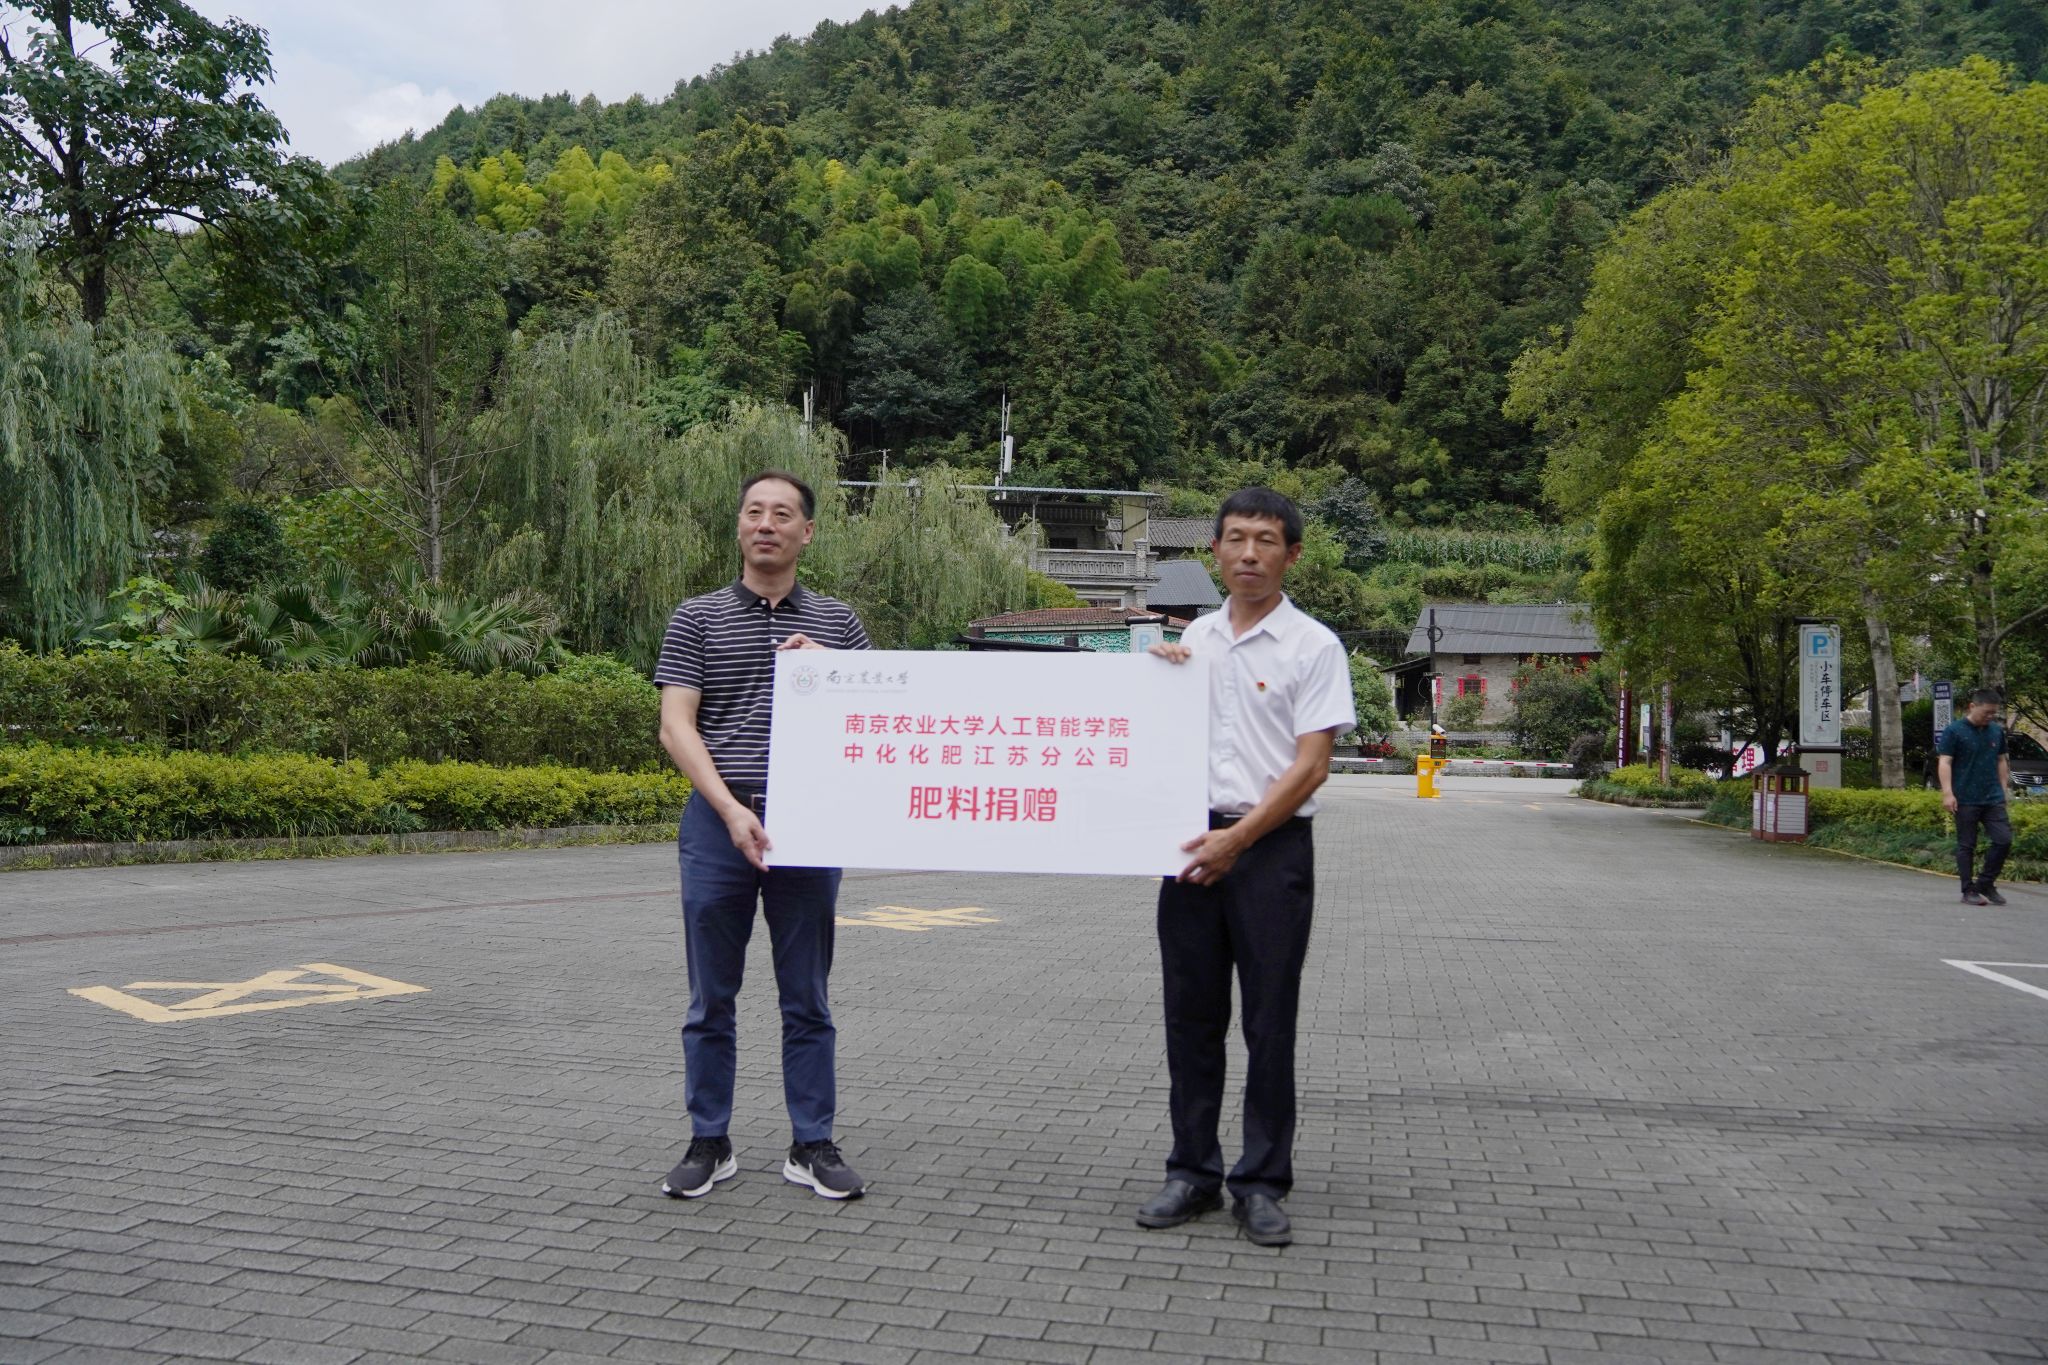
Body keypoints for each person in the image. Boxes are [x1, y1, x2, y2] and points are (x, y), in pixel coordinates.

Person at [1136, 488, 1355, 1247]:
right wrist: (1157, 675)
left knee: (1269, 1021)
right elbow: (1153, 735)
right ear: (1215, 551)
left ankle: (1261, 1181)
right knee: (1191, 1018)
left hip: (1272, 852)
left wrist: (1238, 841)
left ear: (1292, 554)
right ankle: (1192, 1171)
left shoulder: (1314, 646)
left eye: (1266, 540)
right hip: (1190, 846)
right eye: (1235, 538)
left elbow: (1312, 766)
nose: (1249, 554)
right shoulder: (1191, 637)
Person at [654, 471, 873, 1200]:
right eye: (754, 512)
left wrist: (833, 671)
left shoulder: (840, 623)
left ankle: (812, 1143)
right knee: (710, 998)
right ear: (739, 527)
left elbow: (881, 720)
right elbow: (676, 725)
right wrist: (728, 809)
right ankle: (708, 1139)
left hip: (808, 825)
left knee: (806, 997)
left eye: (783, 514)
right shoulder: (697, 617)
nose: (766, 524)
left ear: (807, 532)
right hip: (719, 823)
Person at [1938, 688, 2013, 907]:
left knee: (2003, 840)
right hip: (1965, 798)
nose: (1990, 716)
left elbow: (2001, 760)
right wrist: (1948, 793)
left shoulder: (1996, 731)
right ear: (1973, 706)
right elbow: (1945, 761)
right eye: (1986, 712)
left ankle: (1986, 883)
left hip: (1992, 798)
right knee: (1967, 845)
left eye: (1993, 713)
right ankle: (1968, 890)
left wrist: (2003, 789)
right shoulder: (1954, 731)